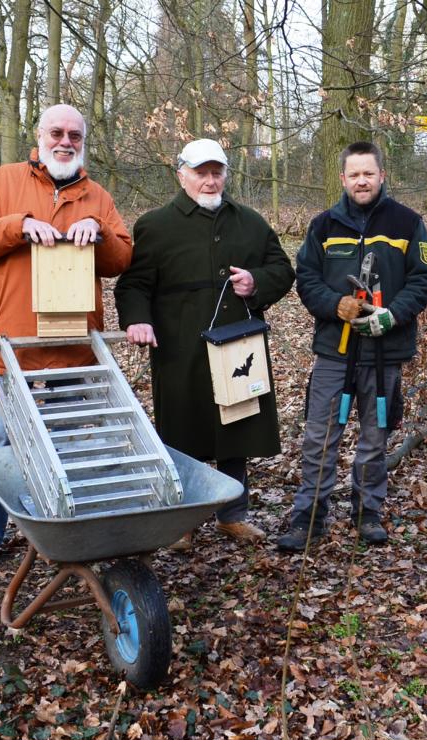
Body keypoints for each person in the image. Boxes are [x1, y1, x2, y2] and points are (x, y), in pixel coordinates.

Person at [0, 103, 133, 568]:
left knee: (70, 441)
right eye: (57, 132)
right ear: (39, 136)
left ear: (83, 142)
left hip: (74, 347)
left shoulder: (97, 196)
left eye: (75, 135)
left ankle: (65, 528)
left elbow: (120, 261)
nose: (65, 142)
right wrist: (17, 226)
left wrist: (99, 231)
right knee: (0, 440)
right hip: (11, 346)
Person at [114, 138, 294, 548]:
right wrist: (138, 319)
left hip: (236, 346)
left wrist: (256, 282)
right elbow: (134, 285)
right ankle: (183, 522)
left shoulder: (250, 222)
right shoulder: (156, 225)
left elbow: (282, 269)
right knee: (184, 431)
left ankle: (232, 514)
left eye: (217, 172)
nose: (210, 181)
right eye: (201, 173)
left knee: (237, 429)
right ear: (181, 174)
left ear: (226, 175)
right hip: (180, 349)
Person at [276, 141, 427, 552]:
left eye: (369, 173)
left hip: (386, 353)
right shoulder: (324, 226)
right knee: (320, 436)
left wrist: (394, 314)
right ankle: (308, 516)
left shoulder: (407, 223)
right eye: (354, 174)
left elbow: (425, 278)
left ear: (382, 175)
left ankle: (367, 511)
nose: (362, 181)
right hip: (335, 350)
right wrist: (336, 305)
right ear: (343, 179)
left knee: (374, 437)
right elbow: (306, 277)